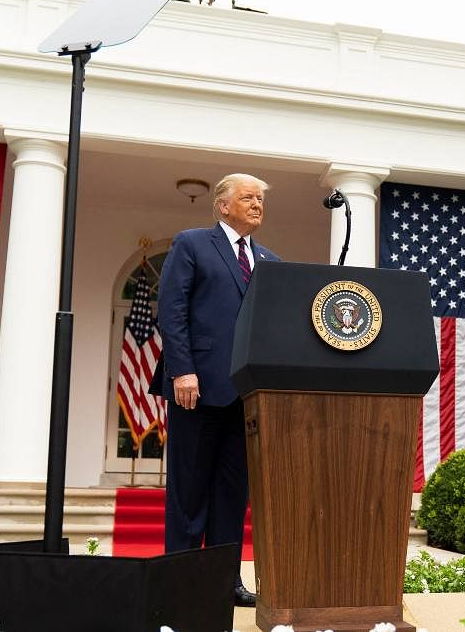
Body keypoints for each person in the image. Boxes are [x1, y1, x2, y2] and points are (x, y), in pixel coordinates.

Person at [154, 173, 279, 607]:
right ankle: (182, 582)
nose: (257, 204)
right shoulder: (192, 244)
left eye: (261, 199)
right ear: (223, 206)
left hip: (246, 397)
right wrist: (181, 371)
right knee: (188, 490)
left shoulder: (270, 261)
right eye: (248, 197)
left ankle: (225, 581)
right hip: (198, 388)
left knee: (232, 493)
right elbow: (171, 310)